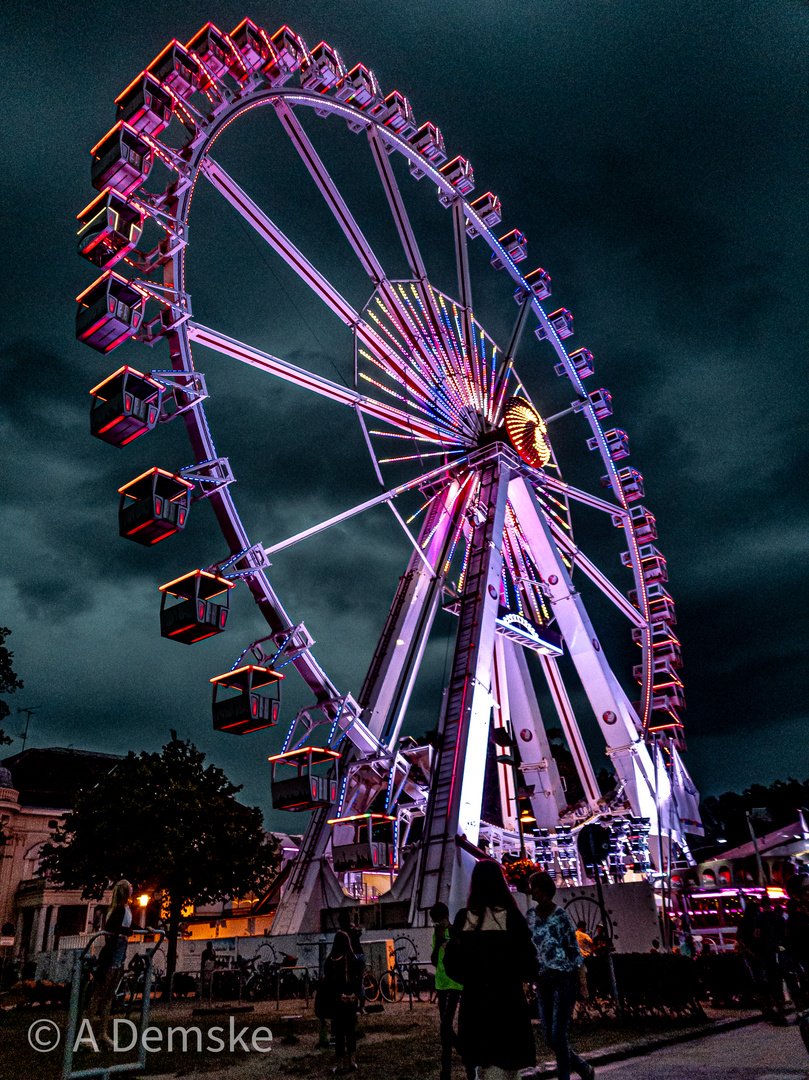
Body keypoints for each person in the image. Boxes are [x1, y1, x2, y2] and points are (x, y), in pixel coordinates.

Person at [444, 860, 536, 1080]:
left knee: (486, 1064)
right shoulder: (511, 917)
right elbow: (529, 962)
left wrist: (472, 979)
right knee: (509, 1066)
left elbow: (451, 964)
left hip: (475, 1003)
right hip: (508, 1001)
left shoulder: (464, 919)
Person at [528, 872, 595, 1080]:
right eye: (532, 886)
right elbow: (530, 948)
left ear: (545, 889)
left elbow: (574, 951)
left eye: (537, 886)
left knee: (558, 1034)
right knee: (549, 1037)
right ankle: (583, 1068)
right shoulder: (530, 916)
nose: (533, 890)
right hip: (543, 979)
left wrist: (582, 983)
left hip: (563, 978)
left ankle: (564, 1077)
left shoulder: (560, 915)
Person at [88, 879, 132, 1047]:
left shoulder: (126, 909)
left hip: (119, 952)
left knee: (108, 996)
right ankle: (89, 1033)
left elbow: (127, 924)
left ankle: (102, 1033)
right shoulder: (119, 909)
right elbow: (113, 925)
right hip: (113, 953)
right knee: (99, 994)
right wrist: (127, 931)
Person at [430, 902, 471, 1080]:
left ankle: (463, 1051)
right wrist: (438, 942)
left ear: (446, 918)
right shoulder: (436, 934)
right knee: (444, 1029)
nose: (437, 925)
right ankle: (446, 1070)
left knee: (445, 1025)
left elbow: (457, 956)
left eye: (438, 921)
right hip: (441, 983)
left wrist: (446, 943)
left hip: (454, 983)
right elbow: (433, 959)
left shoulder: (454, 932)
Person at [322, 922, 363, 1074]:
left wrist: (338, 996)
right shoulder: (353, 960)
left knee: (339, 1033)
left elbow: (328, 984)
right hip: (351, 1001)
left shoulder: (330, 961)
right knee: (350, 1031)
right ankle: (353, 1062)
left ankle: (339, 1064)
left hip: (337, 1002)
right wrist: (354, 995)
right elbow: (359, 979)